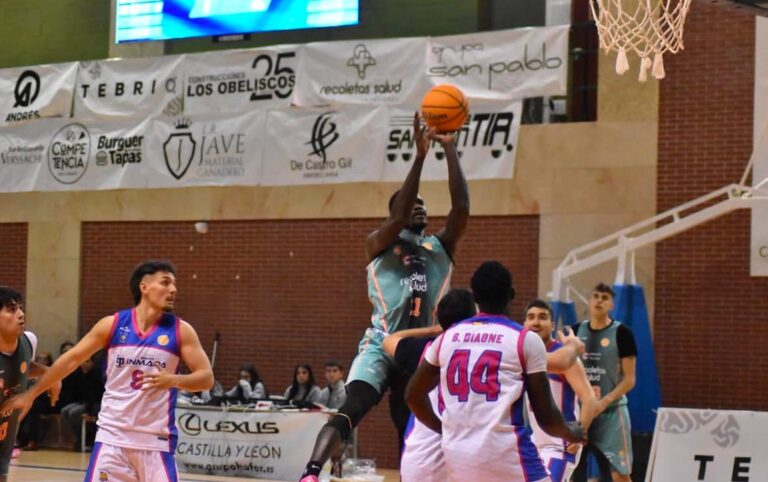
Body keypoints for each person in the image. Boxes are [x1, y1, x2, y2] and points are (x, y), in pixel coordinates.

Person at [300, 113, 469, 482]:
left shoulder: (440, 246)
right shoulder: (379, 242)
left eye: (424, 204)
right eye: (413, 204)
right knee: (352, 406)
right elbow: (396, 217)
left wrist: (451, 151)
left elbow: (461, 210)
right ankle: (311, 473)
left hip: (422, 345)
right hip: (380, 344)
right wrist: (420, 158)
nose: (421, 207)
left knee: (410, 425)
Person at [0, 260, 214, 482]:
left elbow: (206, 378)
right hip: (112, 440)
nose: (173, 289)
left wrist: (172, 380)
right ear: (145, 286)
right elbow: (69, 362)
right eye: (166, 282)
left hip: (156, 442)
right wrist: (30, 395)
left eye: (174, 284)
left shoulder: (181, 331)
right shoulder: (112, 325)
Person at [406, 261, 585, 481]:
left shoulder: (446, 338)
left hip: (458, 456)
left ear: (476, 297)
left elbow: (412, 395)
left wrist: (442, 429)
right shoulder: (523, 339)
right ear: (511, 294)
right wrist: (571, 432)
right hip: (506, 454)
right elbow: (545, 416)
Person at [383, 288, 476, 482]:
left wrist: (431, 329)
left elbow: (389, 340)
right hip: (465, 452)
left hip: (424, 454)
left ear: (437, 316)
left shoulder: (426, 347)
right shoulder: (483, 350)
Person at [524, 299, 598, 482]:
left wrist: (581, 431)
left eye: (542, 317)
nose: (536, 322)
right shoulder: (524, 353)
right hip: (531, 444)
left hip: (560, 445)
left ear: (553, 324)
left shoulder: (565, 357)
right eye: (531, 317)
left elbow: (589, 398)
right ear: (524, 324)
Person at [572, 283, 637, 482]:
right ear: (589, 302)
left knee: (620, 474)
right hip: (581, 413)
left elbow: (629, 380)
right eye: (596, 296)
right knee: (572, 471)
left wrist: (604, 401)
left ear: (611, 305)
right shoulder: (575, 332)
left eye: (605, 297)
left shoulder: (622, 333)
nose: (600, 300)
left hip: (611, 412)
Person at [0, 287, 60, 482]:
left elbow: (25, 368)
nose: (20, 314)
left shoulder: (28, 342)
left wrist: (50, 375)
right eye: (11, 309)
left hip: (5, 440)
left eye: (20, 308)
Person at [59, 354, 104, 451]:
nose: (84, 364)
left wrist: (89, 409)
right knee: (64, 411)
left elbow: (95, 394)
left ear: (92, 362)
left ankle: (83, 438)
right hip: (81, 401)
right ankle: (79, 435)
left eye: (87, 361)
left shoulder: (96, 374)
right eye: (83, 361)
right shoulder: (78, 374)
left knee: (73, 412)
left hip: (93, 403)